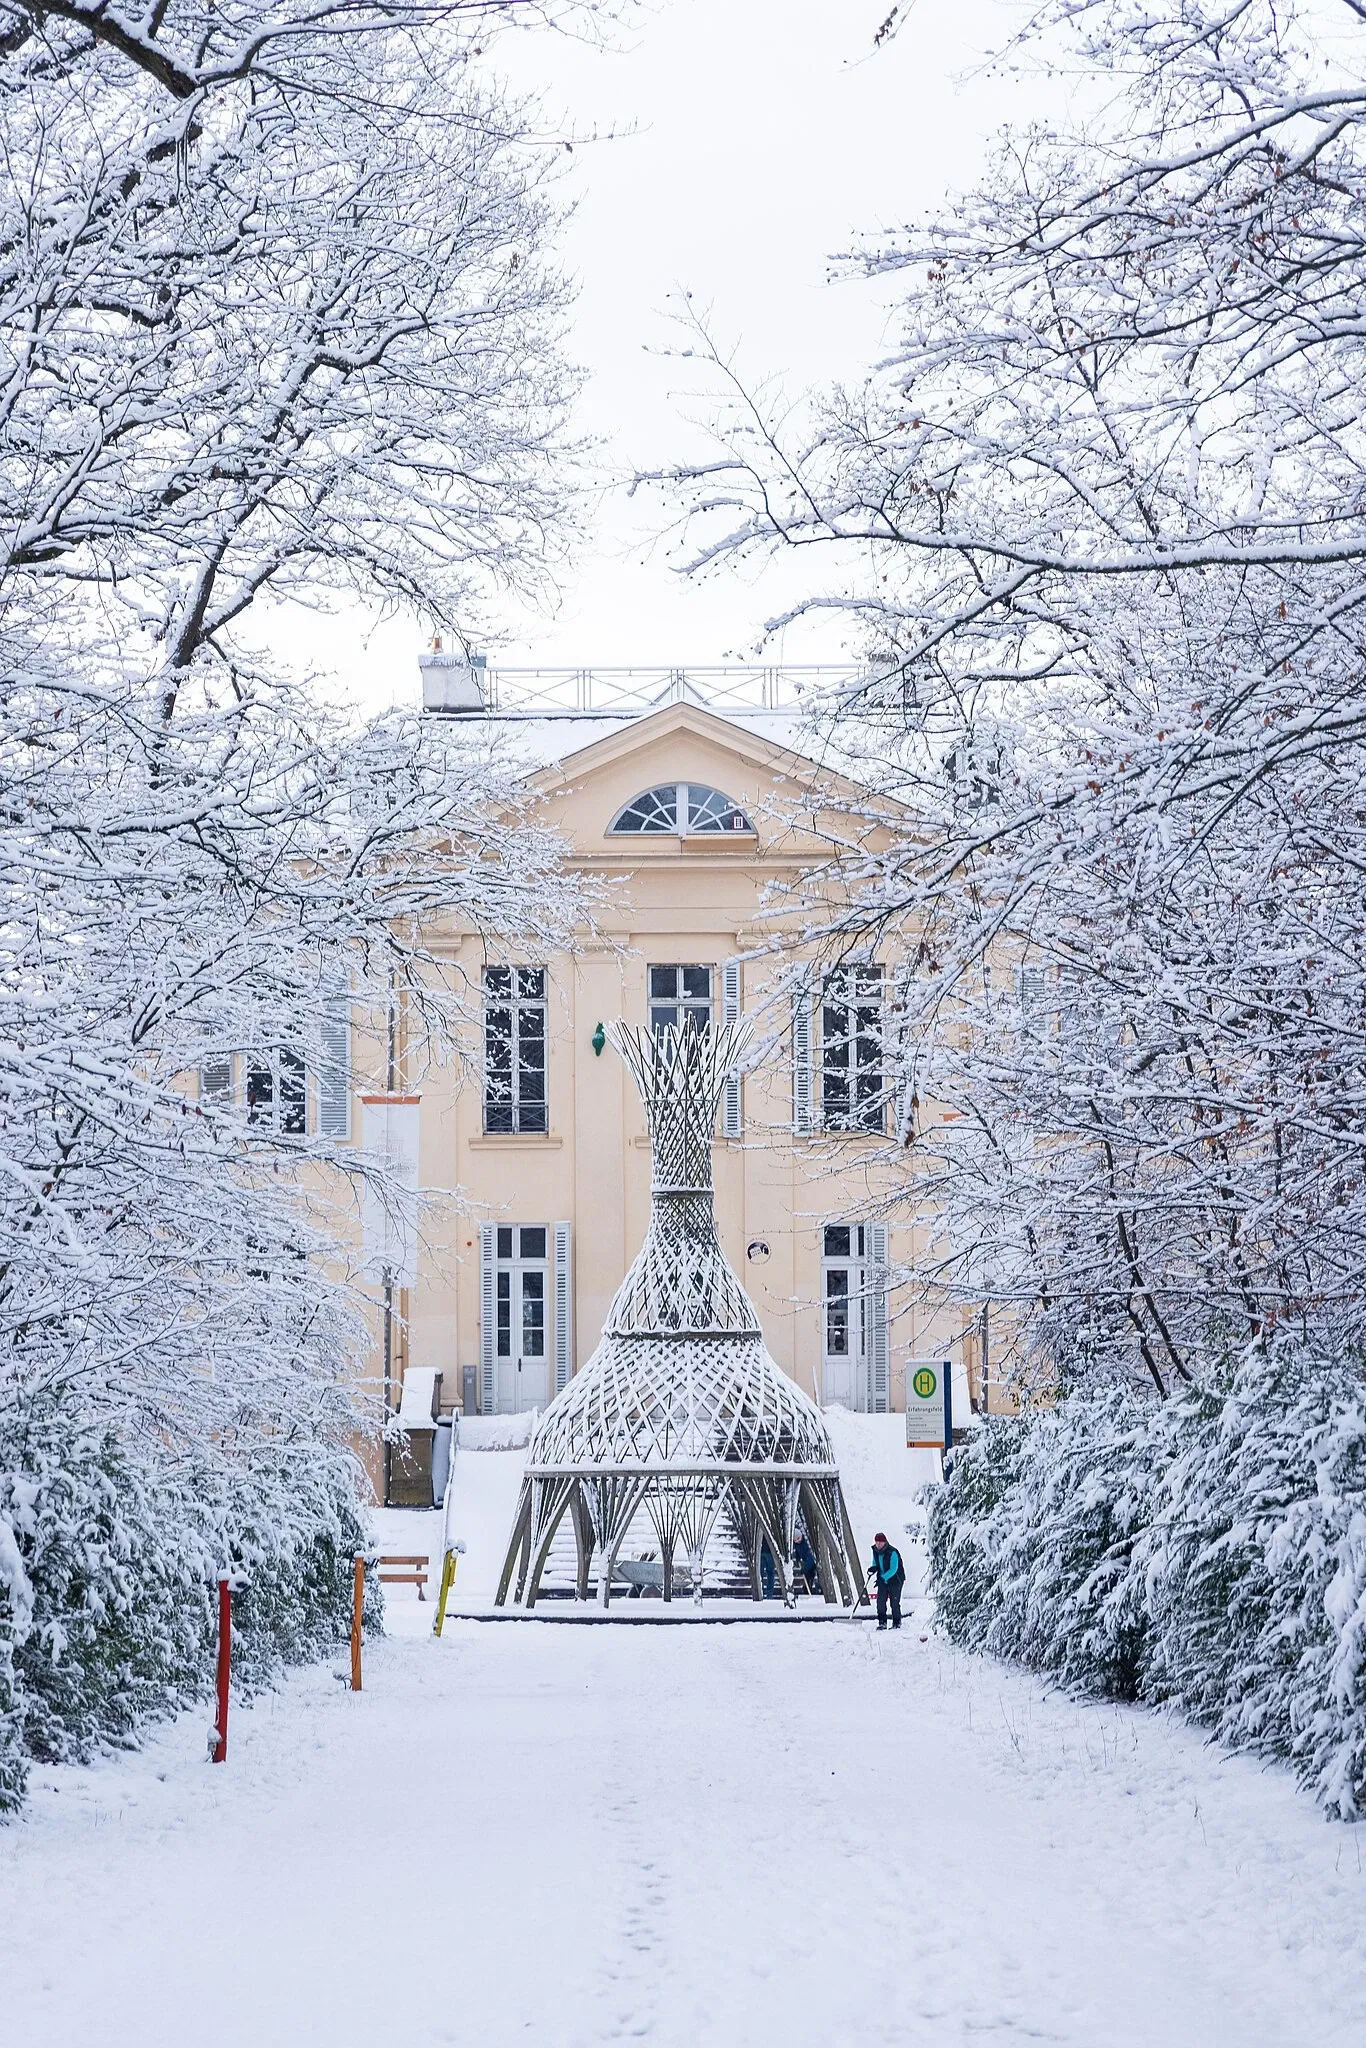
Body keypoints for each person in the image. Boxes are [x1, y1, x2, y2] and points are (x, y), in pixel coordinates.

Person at [868, 1532, 905, 1630]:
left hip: (896, 1580)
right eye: (876, 1542)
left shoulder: (892, 1552)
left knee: (894, 1602)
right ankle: (882, 1622)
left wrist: (883, 1577)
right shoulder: (875, 1551)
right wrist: (873, 1568)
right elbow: (875, 1562)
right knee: (880, 1602)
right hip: (883, 1580)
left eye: (880, 1542)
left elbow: (894, 1569)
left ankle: (896, 1623)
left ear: (885, 1542)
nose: (878, 1544)